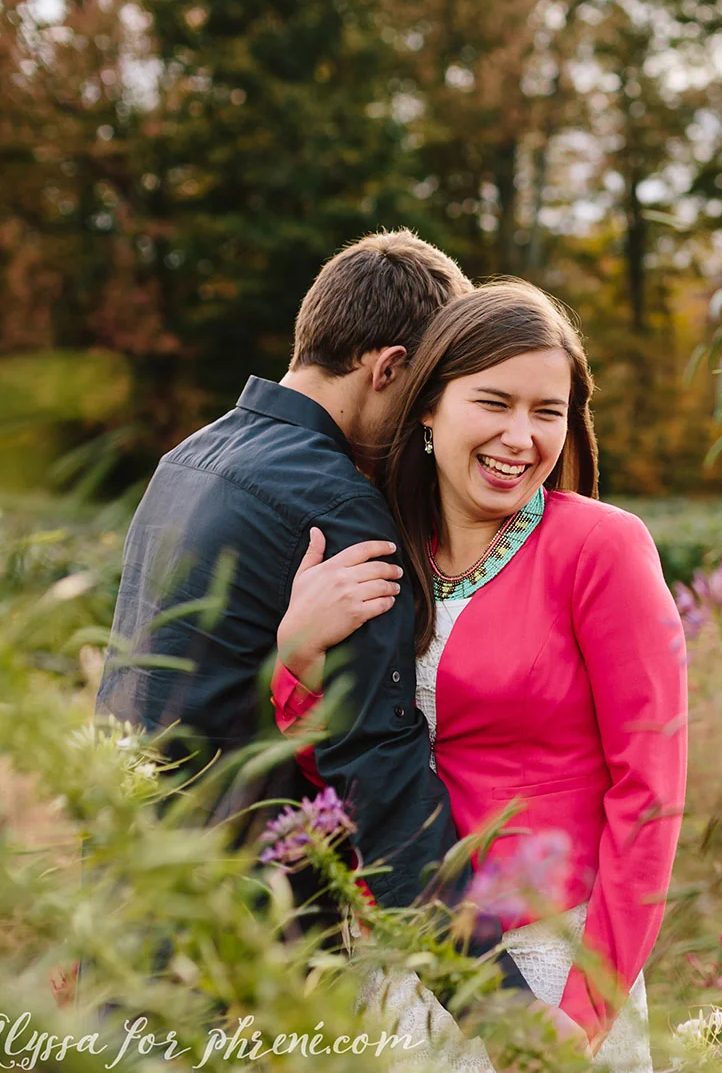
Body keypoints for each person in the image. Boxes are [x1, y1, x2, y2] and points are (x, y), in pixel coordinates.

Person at [272, 280, 688, 1069]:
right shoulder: (383, 548)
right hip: (399, 956)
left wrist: (585, 1010)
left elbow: (651, 794)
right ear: (427, 405)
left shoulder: (601, 549)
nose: (521, 437)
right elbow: (340, 769)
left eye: (547, 411)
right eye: (493, 402)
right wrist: (297, 654)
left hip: (545, 961)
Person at [98, 228, 496, 916]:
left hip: (131, 885)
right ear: (389, 368)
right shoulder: (337, 503)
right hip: (239, 925)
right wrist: (496, 1000)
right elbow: (380, 771)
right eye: (428, 392)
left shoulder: (187, 460)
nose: (429, 423)